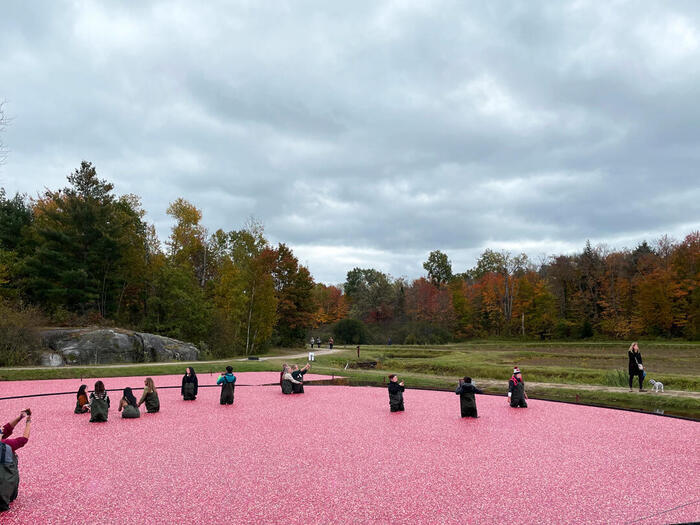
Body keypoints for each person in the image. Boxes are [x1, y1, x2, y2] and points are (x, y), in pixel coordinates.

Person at [1, 409, 31, 512]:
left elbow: (6, 429)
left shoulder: (4, 441)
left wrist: (20, 417)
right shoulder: (6, 445)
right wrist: (28, 421)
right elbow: (23, 440)